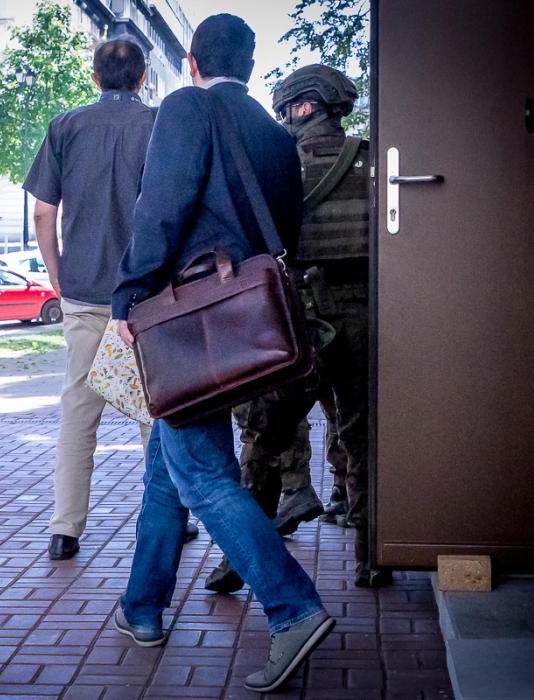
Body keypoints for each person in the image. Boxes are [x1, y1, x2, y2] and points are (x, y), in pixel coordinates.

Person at [111, 15, 333, 693]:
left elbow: (162, 207)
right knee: (168, 463)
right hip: (247, 327)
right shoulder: (273, 130)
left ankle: (293, 608)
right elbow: (284, 227)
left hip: (191, 327)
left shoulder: (187, 106)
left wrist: (129, 295)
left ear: (191, 60)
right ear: (250, 64)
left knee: (202, 473)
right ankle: (142, 606)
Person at [207, 63, 380, 590]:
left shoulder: (277, 163)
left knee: (265, 435)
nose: (284, 119)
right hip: (362, 314)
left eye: (287, 110)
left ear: (304, 107)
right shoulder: (373, 160)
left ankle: (241, 557)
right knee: (362, 437)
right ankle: (371, 555)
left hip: (297, 319)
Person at [23, 39, 196, 561]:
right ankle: (168, 521)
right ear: (143, 77)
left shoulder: (64, 126)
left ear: (94, 77)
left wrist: (58, 276)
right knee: (155, 411)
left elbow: (43, 213)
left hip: (82, 290)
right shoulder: (160, 125)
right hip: (146, 295)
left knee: (78, 413)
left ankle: (65, 529)